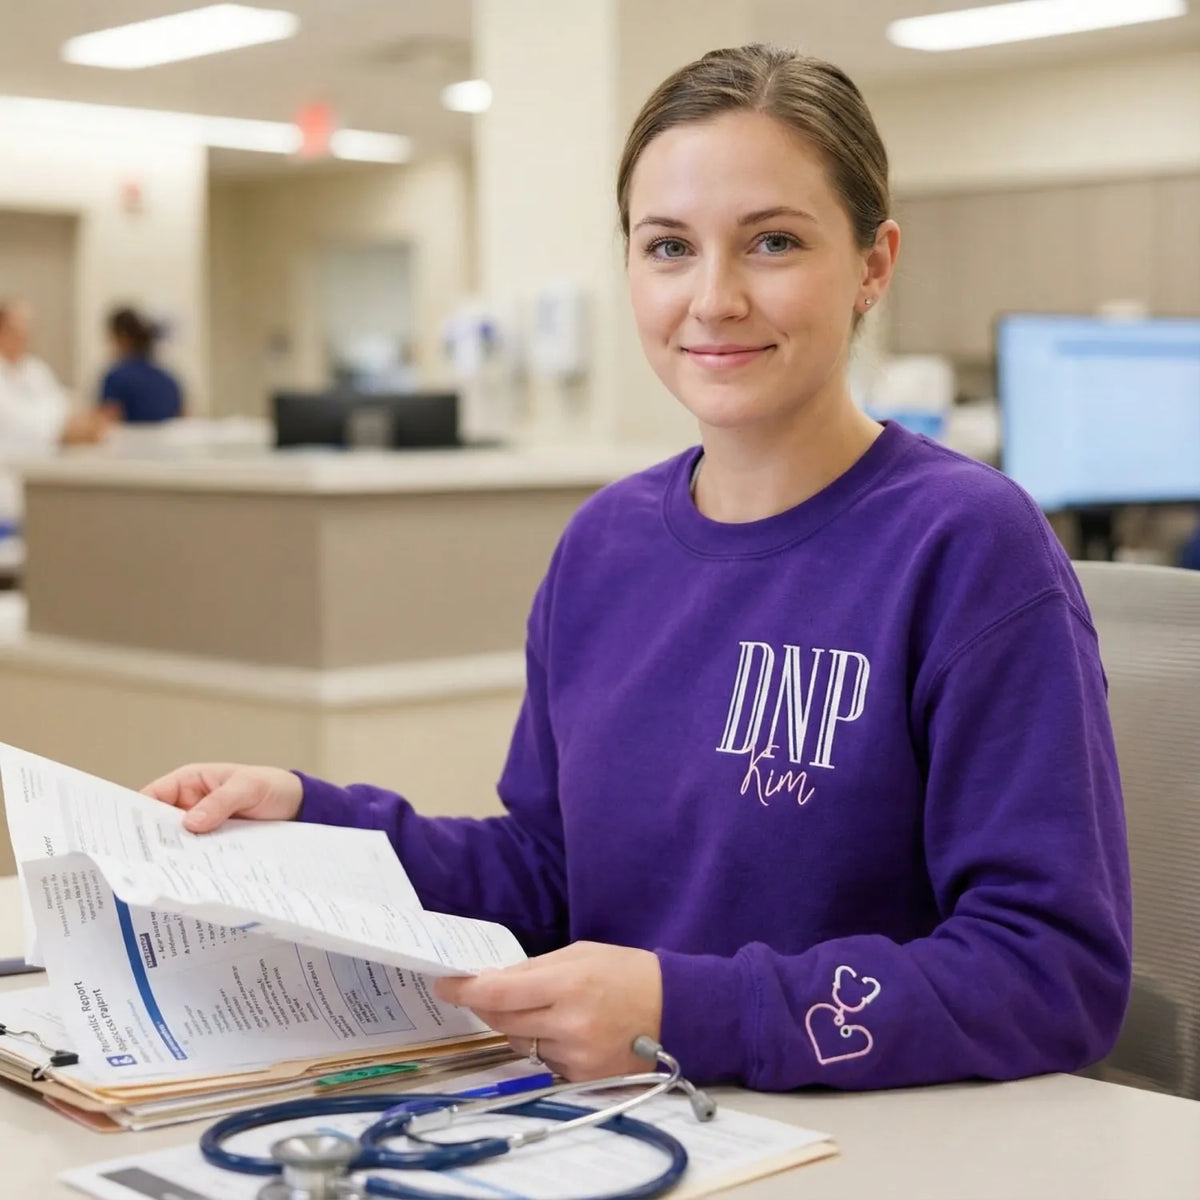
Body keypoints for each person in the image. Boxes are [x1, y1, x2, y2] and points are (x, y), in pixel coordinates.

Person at [144, 45, 1131, 1093]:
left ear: (875, 265)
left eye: (774, 242)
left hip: (865, 1141)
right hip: (622, 1124)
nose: (713, 299)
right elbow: (553, 874)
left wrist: (686, 1012)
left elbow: (1050, 971)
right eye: (668, 247)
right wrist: (311, 819)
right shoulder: (604, 546)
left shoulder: (967, 545)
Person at [0, 299, 111, 524]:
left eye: (26, 327)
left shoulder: (34, 369)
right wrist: (65, 431)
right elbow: (19, 423)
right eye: (16, 327)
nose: (24, 334)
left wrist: (79, 424)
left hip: (43, 483)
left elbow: (63, 408)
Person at [99, 306, 183, 423]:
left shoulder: (116, 379)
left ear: (122, 338)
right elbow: (183, 418)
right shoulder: (169, 380)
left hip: (127, 441)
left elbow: (106, 420)